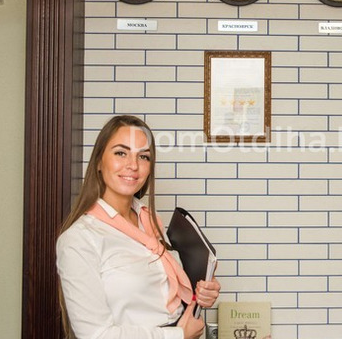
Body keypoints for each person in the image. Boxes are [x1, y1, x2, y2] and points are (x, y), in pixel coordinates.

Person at [56, 115, 221, 339]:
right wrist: (177, 335)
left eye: (143, 156)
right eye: (121, 153)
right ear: (98, 162)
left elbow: (159, 294)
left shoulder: (150, 220)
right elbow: (96, 334)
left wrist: (199, 294)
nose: (133, 165)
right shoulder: (79, 239)